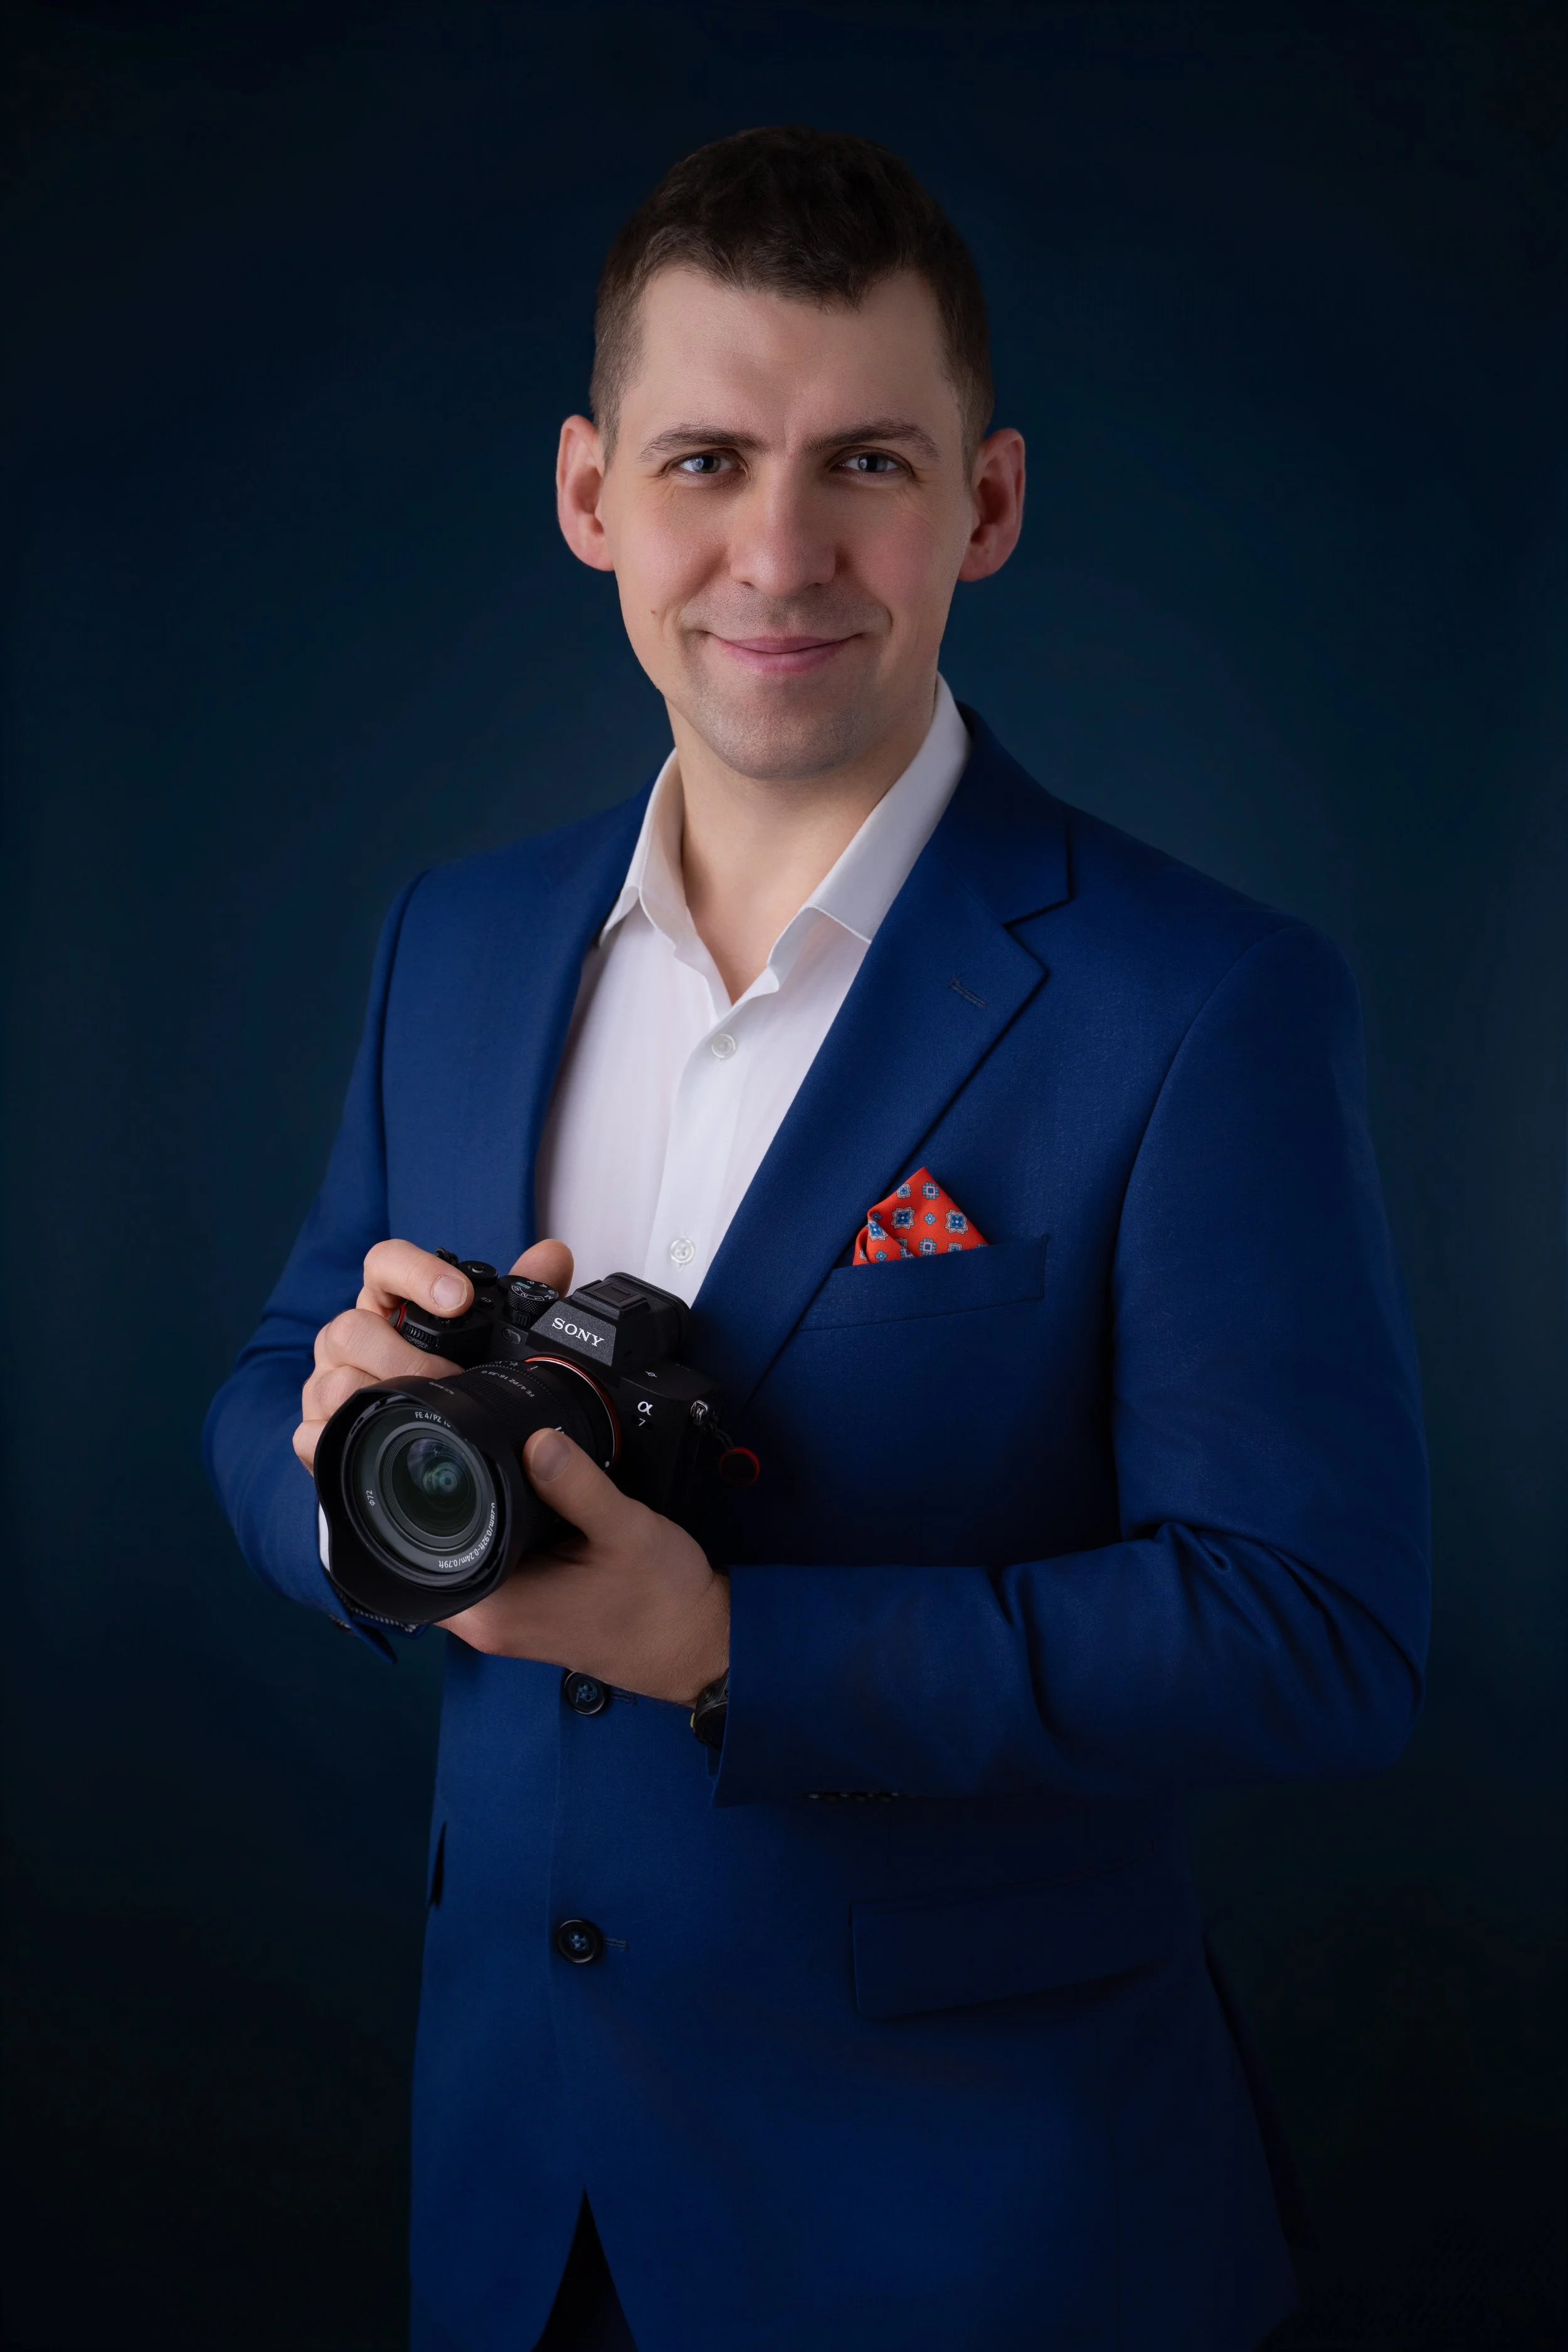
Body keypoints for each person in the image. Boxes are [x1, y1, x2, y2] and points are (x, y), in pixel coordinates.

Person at [205, 126, 1430, 2352]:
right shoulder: (457, 938)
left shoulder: (1202, 999)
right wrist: (337, 1463)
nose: (776, 551)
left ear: (985, 504)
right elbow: (272, 1368)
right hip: (517, 2189)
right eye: (702, 460)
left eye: (863, 459)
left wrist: (736, 1651)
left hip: (984, 2230)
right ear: (591, 498)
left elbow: (1316, 1629)